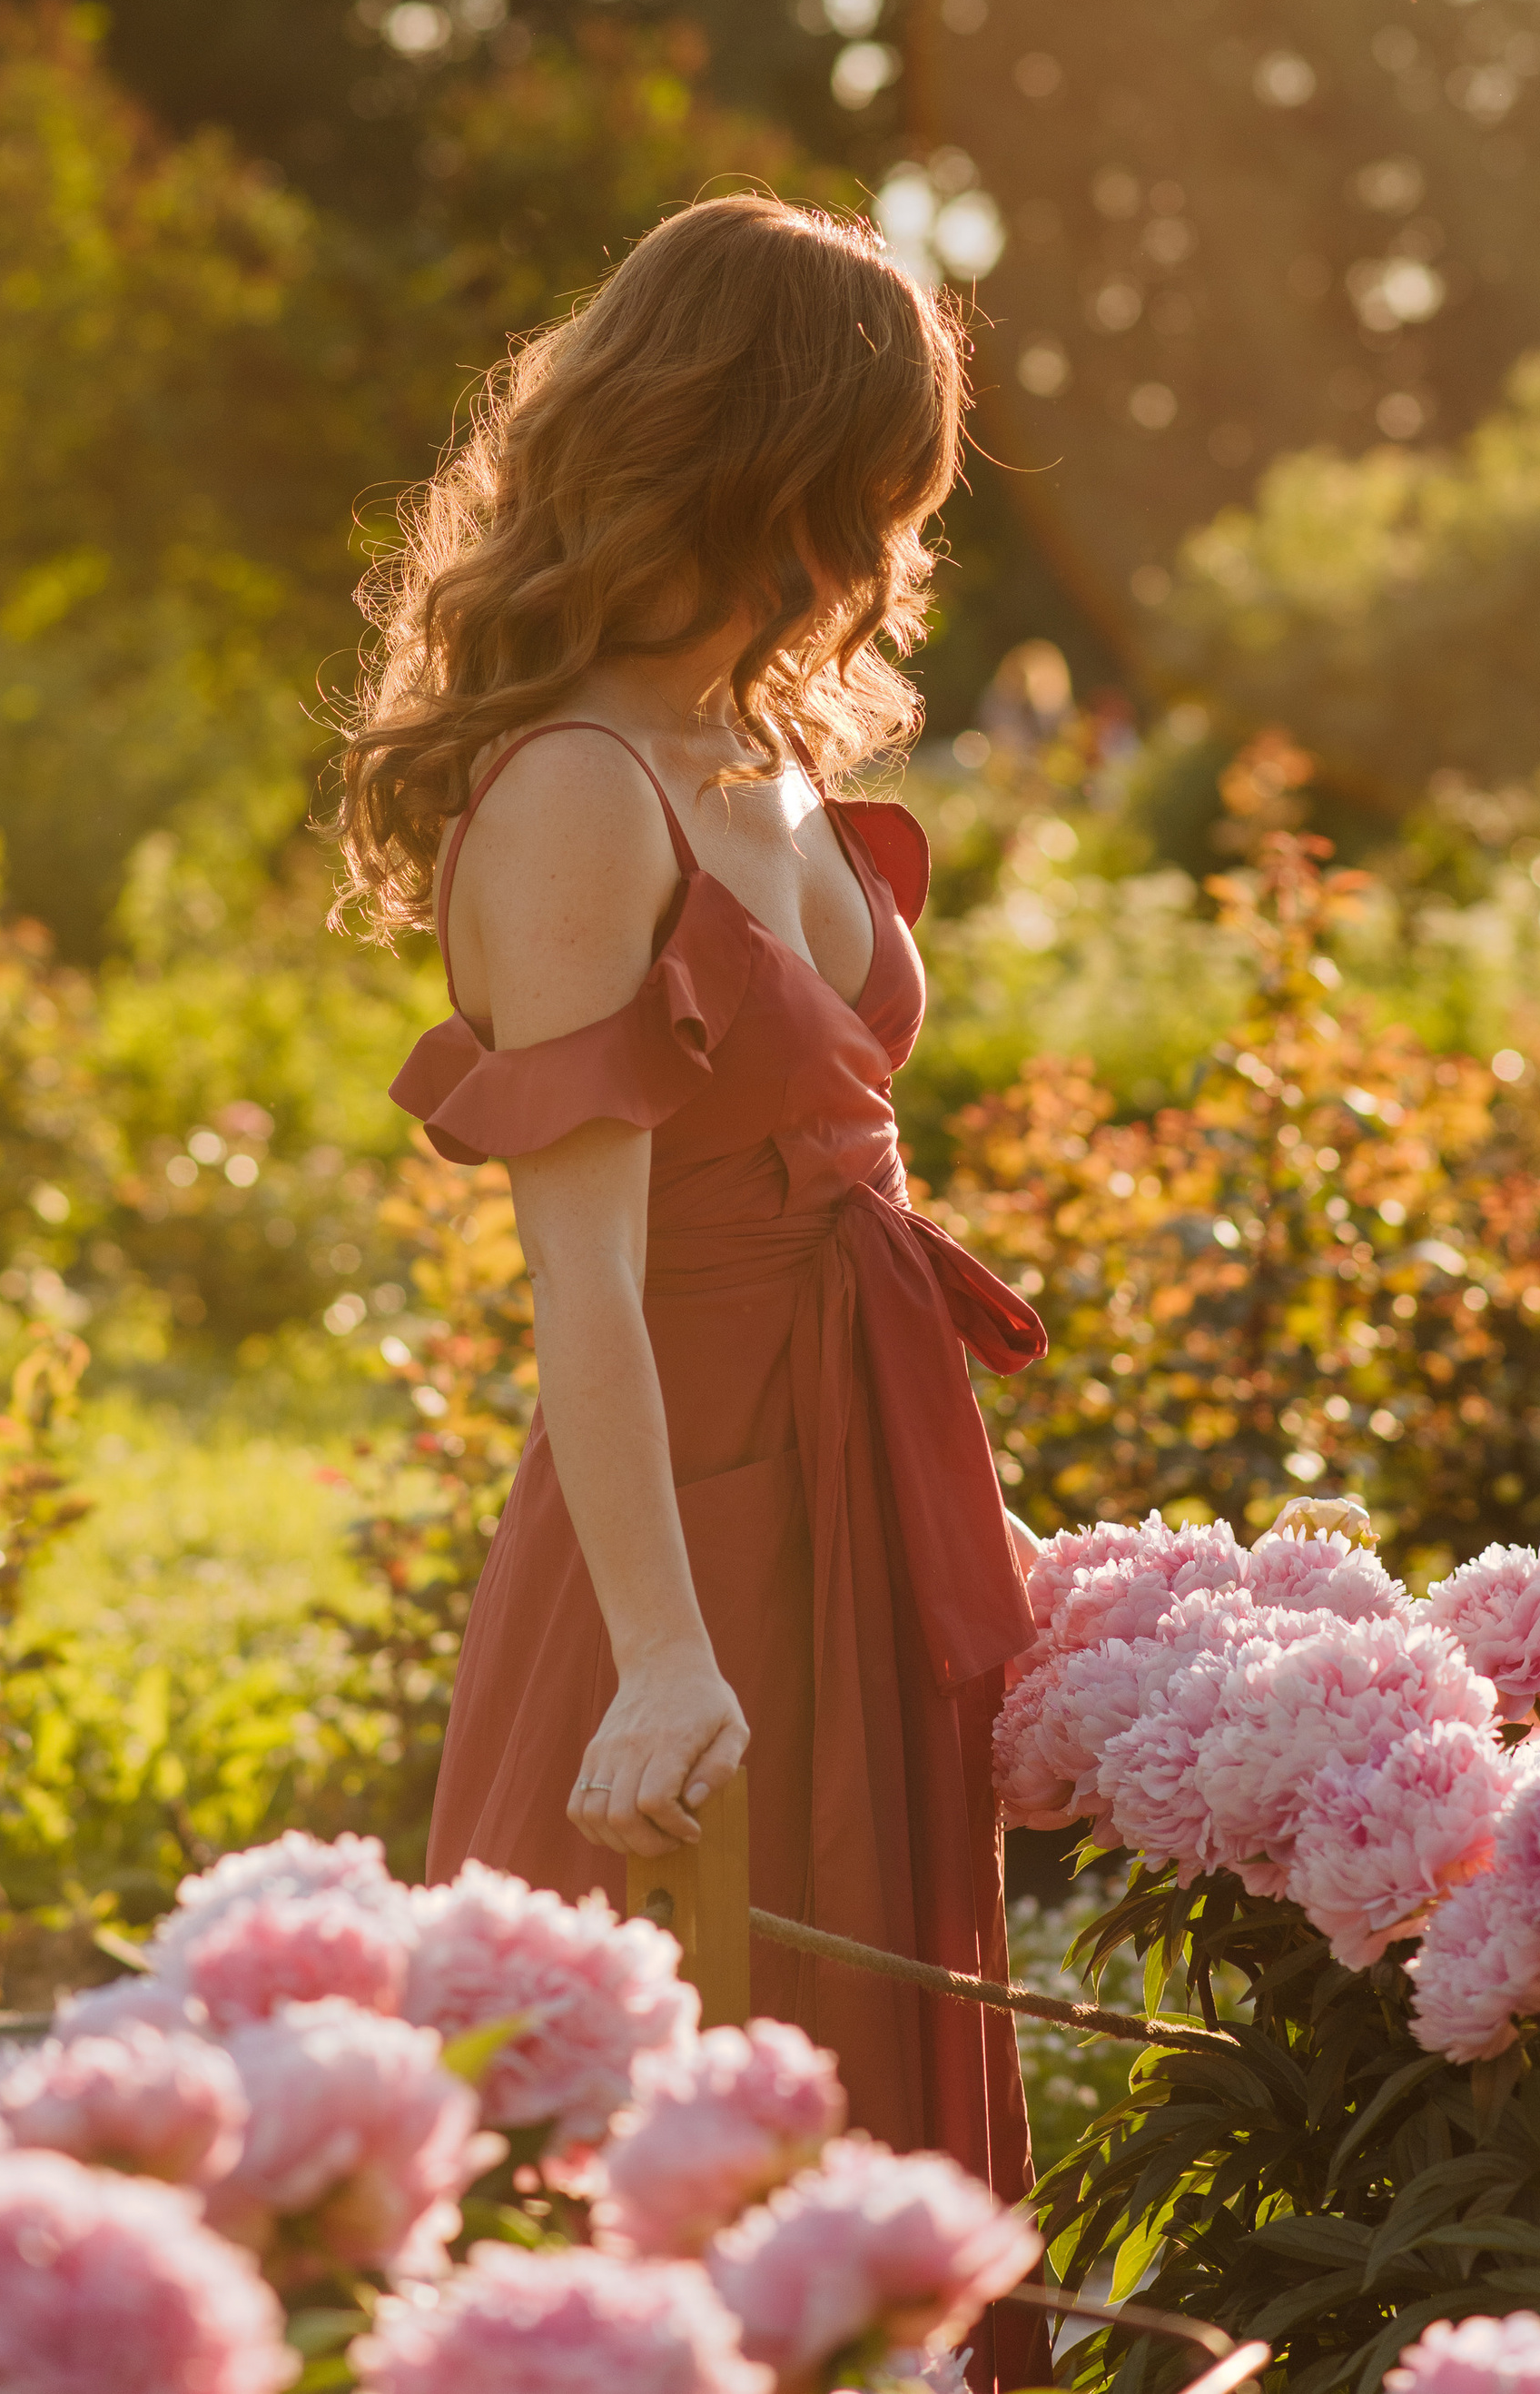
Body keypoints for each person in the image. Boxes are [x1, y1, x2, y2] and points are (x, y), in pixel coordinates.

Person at [338, 195, 1051, 2386]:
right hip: (699, 1530)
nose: (875, 553)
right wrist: (656, 1657)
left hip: (865, 1468)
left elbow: (845, 1168)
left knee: (880, 2078)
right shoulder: (570, 791)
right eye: (866, 494)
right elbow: (592, 1288)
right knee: (708, 2105)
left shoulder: (770, 754)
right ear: (761, 458)